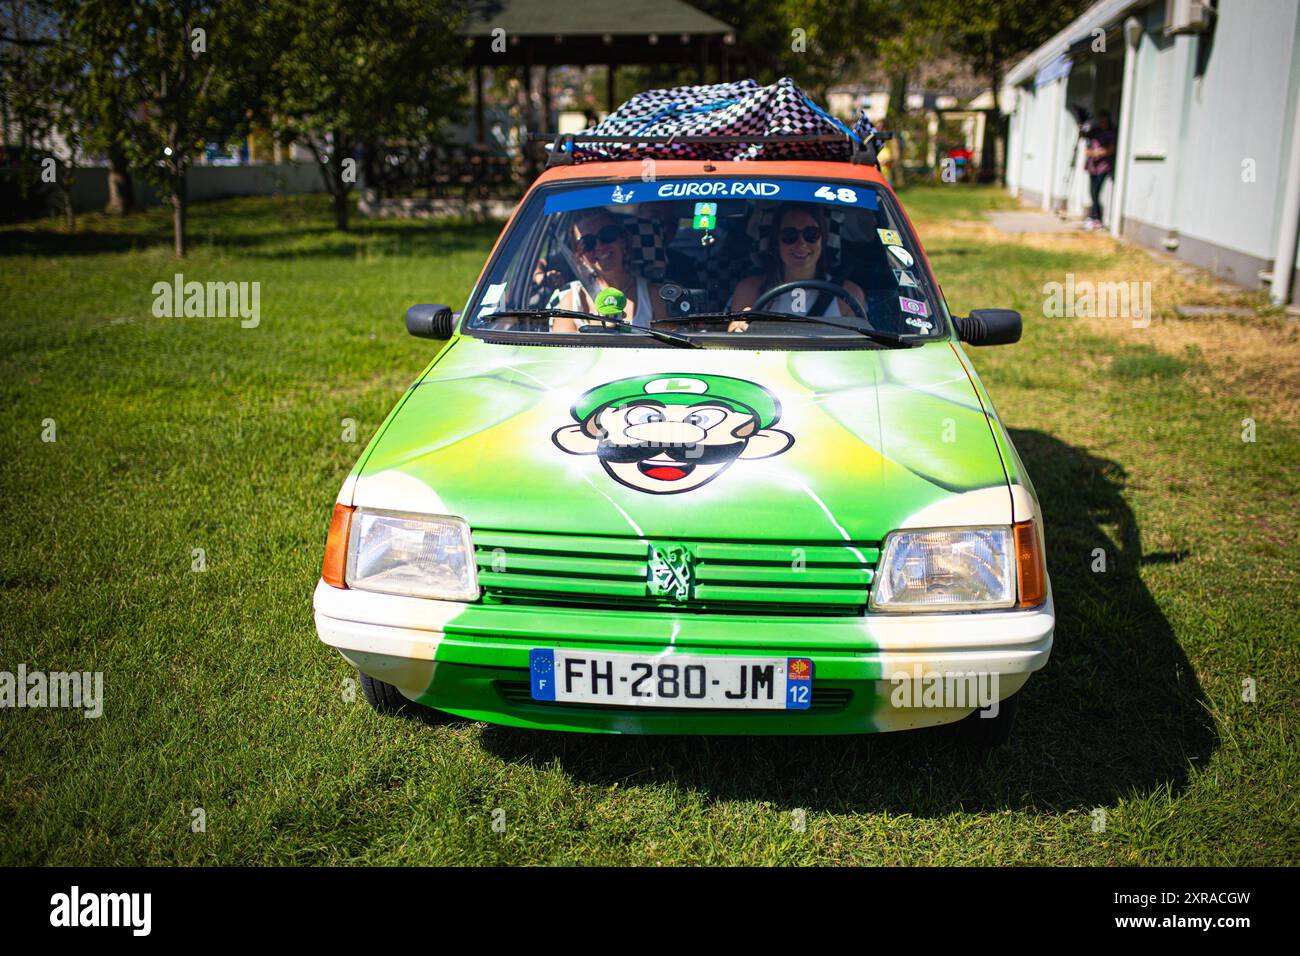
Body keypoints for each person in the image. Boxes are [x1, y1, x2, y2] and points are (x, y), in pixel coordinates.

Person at [726, 204, 864, 333]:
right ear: (776, 243)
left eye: (811, 234)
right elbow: (735, 344)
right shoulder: (749, 290)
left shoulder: (848, 295)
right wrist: (740, 330)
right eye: (789, 235)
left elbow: (860, 351)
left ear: (823, 240)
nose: (801, 243)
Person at [552, 210, 666, 331]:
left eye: (607, 235)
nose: (599, 246)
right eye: (588, 243)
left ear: (623, 240)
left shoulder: (654, 297)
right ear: (580, 256)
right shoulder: (572, 302)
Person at [1083, 110, 1117, 230]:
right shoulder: (1095, 131)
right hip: (1092, 166)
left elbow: (1112, 149)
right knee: (1092, 192)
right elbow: (1085, 142)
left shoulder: (1111, 132)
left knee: (1096, 191)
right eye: (1100, 120)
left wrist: (1101, 152)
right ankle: (1093, 217)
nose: (1102, 122)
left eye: (1104, 120)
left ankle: (1096, 218)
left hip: (1103, 167)